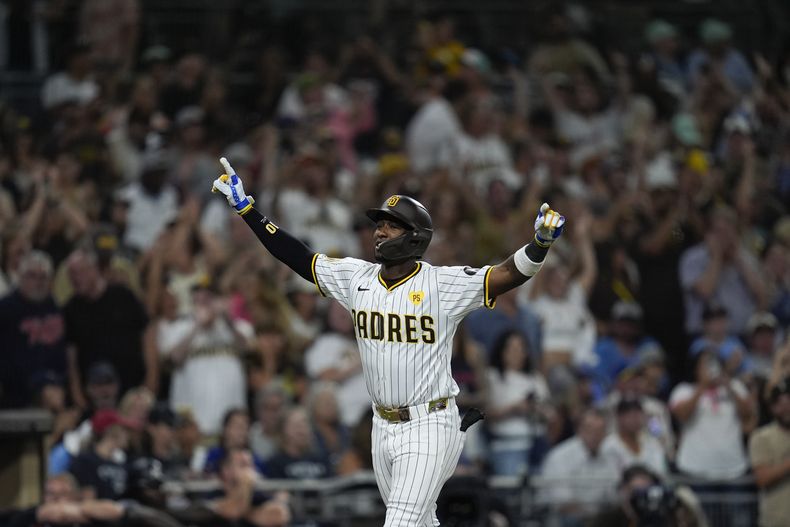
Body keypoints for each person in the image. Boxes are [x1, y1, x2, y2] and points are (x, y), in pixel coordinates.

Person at [211, 156, 566, 525]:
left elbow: (505, 274)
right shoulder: (356, 277)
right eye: (379, 224)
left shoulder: (443, 284)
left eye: (391, 226)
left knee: (400, 521)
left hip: (429, 423)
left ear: (415, 237)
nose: (379, 232)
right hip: (382, 426)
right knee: (421, 521)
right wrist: (248, 210)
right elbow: (299, 258)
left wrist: (539, 244)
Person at [63, 248, 152, 407]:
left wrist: (151, 380)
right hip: (94, 397)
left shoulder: (123, 296)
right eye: (72, 275)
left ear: (94, 269)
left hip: (132, 392)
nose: (75, 279)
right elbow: (71, 357)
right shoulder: (71, 309)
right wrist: (77, 396)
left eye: (79, 273)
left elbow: (147, 336)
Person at [669, 349, 754, 479]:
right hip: (694, 467)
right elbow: (682, 415)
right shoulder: (684, 390)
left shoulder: (735, 387)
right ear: (695, 368)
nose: (711, 369)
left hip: (733, 466)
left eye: (714, 364)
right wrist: (702, 386)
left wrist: (728, 385)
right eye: (706, 364)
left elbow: (748, 414)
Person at [0, 250, 66, 408]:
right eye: (32, 275)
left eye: (43, 276)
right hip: (16, 386)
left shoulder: (56, 307)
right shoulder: (6, 309)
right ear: (20, 277)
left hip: (55, 382)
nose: (38, 281)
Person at [539, 409, 619, 523]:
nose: (595, 435)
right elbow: (562, 503)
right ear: (579, 430)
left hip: (601, 518)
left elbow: (614, 496)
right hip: (567, 519)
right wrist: (592, 517)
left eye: (600, 431)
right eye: (590, 430)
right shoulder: (559, 457)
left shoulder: (610, 456)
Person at [69, 409, 138, 500]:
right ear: (113, 431)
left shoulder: (122, 463)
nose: (128, 436)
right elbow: (88, 501)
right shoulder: (86, 461)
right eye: (124, 430)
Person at [749, 377, 790, 527]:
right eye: (780, 403)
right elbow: (762, 478)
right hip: (775, 521)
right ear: (772, 407)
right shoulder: (762, 437)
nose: (786, 408)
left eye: (789, 401)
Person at [601, 397, 667, 476]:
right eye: (629, 415)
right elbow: (613, 478)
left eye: (637, 414)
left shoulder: (652, 442)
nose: (634, 419)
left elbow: (660, 472)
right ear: (619, 418)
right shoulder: (609, 445)